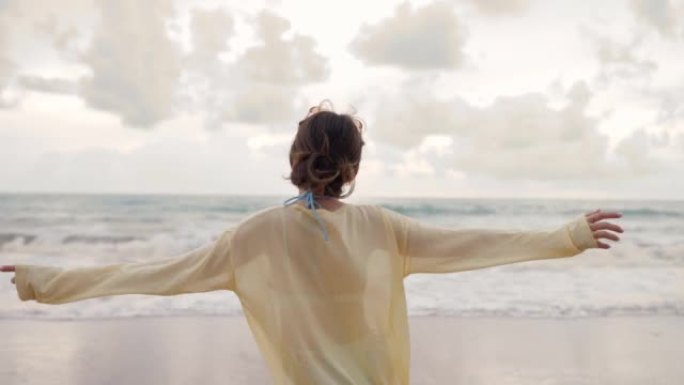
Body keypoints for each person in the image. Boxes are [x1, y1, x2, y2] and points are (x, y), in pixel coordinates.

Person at [0, 100, 623, 385]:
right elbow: (474, 244)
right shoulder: (384, 229)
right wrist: (566, 235)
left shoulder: (253, 236)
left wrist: (42, 277)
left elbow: (151, 273)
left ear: (296, 160)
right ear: (351, 168)